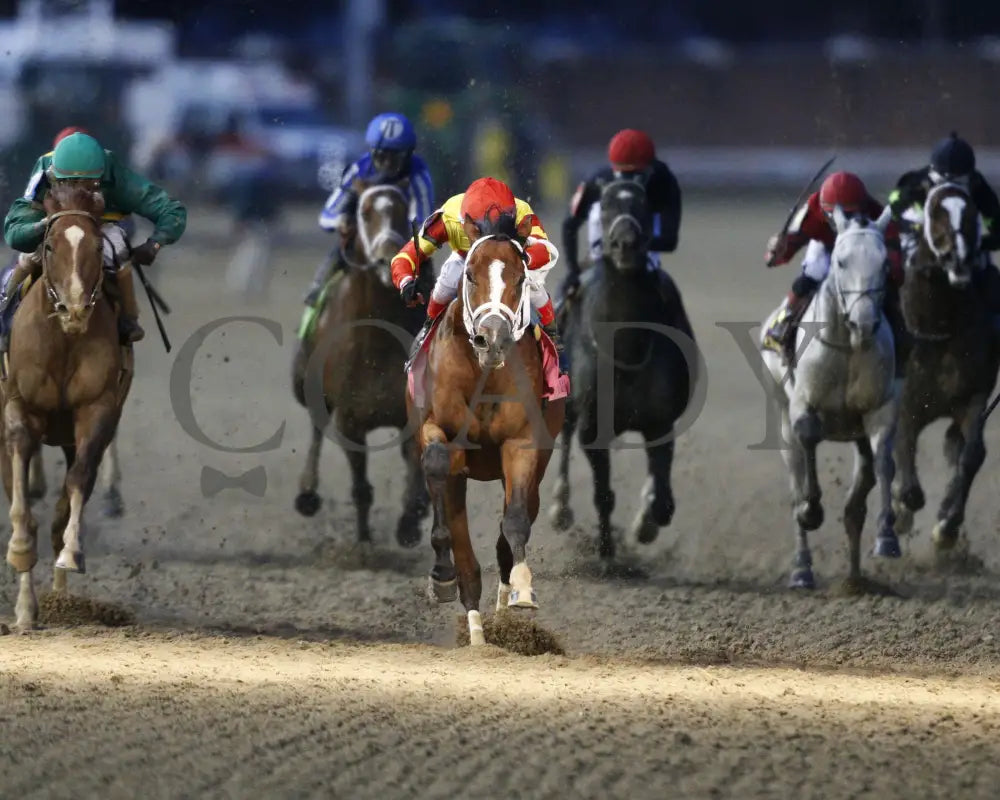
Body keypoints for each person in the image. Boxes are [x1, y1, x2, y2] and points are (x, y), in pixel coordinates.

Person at [2, 131, 186, 346]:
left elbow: (171, 210)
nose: (78, 188)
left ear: (101, 175)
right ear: (55, 175)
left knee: (117, 249)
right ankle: (4, 305)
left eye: (87, 184)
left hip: (101, 225)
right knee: (27, 257)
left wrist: (155, 243)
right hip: (54, 224)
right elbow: (14, 230)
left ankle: (129, 318)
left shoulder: (115, 172)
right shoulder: (44, 169)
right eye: (70, 183)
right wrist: (40, 226)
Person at [389, 176, 565, 372]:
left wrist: (522, 259)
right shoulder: (448, 216)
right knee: (443, 287)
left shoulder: (522, 211)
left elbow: (546, 250)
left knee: (535, 290)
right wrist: (405, 281)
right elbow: (405, 256)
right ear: (468, 225)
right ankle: (427, 332)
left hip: (508, 263)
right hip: (468, 261)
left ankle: (552, 339)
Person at [762, 171, 904, 360]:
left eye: (852, 214)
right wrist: (775, 251)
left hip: (861, 249)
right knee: (809, 276)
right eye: (838, 215)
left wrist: (892, 270)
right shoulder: (812, 209)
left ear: (863, 206)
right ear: (825, 210)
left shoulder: (874, 210)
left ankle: (901, 333)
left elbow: (893, 242)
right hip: (826, 248)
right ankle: (782, 325)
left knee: (883, 286)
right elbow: (788, 246)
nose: (845, 219)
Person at [301, 111, 435, 311]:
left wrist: (397, 235)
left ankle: (433, 314)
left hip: (401, 240)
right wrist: (341, 221)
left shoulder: (419, 174)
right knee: (338, 254)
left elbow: (424, 223)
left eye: (395, 158)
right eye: (382, 156)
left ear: (408, 154)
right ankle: (315, 299)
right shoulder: (358, 170)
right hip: (362, 237)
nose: (388, 164)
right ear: (372, 151)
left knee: (427, 269)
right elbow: (327, 215)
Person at [887, 132, 1000, 333]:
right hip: (921, 242)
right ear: (934, 172)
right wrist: (915, 227)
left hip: (967, 247)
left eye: (959, 182)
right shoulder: (917, 182)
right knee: (889, 273)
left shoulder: (977, 184)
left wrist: (980, 242)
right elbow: (895, 204)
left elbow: (996, 220)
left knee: (991, 279)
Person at [559, 128, 682, 303]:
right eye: (622, 174)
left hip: (645, 259)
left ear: (650, 168)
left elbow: (670, 241)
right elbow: (569, 225)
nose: (628, 180)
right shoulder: (598, 181)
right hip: (600, 256)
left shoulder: (664, 182)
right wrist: (573, 272)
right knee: (562, 298)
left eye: (636, 175)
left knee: (671, 299)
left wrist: (634, 245)